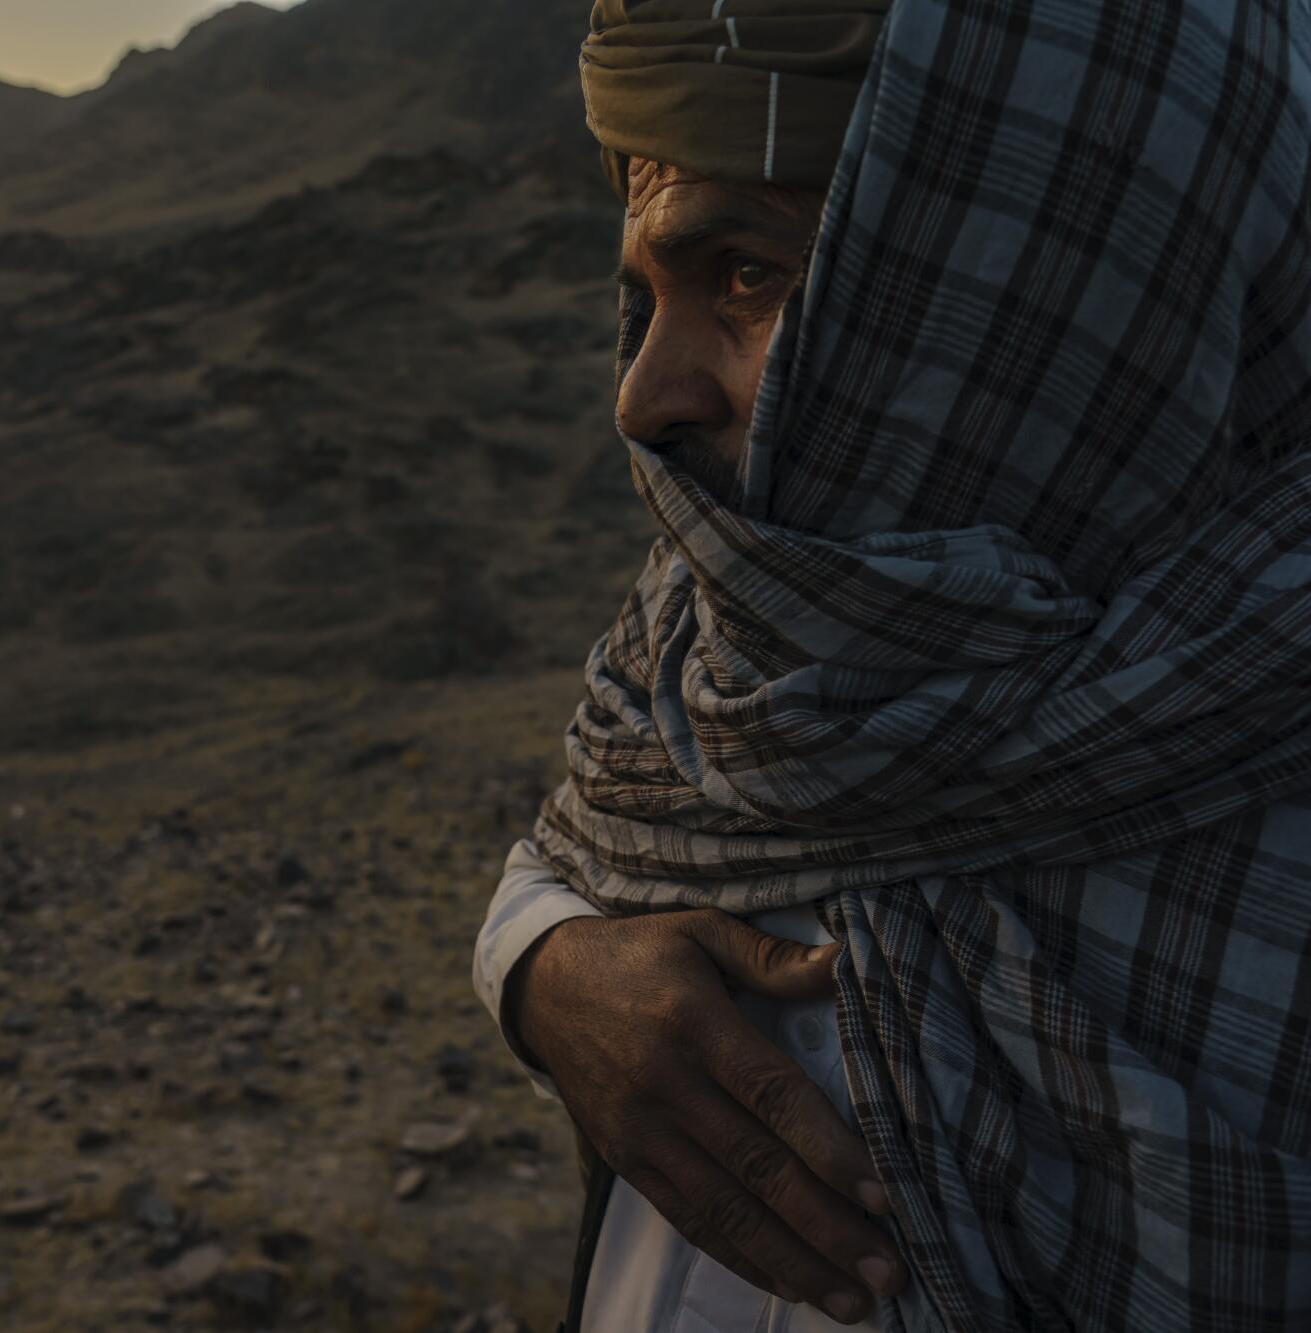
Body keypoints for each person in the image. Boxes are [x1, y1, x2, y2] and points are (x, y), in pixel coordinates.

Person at [474, 2, 1311, 1331]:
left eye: (743, 274)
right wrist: (544, 969)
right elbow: (597, 823)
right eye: (641, 299)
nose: (642, 394)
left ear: (1044, 292)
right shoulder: (731, 622)